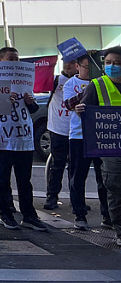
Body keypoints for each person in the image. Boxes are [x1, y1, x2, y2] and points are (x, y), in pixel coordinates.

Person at [0, 46, 48, 232]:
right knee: (3, 179)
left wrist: (30, 103)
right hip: (3, 138)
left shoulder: (24, 81)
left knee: (25, 180)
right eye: (10, 59)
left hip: (24, 138)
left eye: (17, 59)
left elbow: (30, 111)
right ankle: (5, 214)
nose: (14, 62)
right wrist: (4, 101)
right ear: (0, 61)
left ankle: (29, 215)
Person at [74, 46, 121, 246]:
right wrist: (80, 111)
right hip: (111, 149)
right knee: (116, 188)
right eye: (108, 63)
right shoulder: (97, 85)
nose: (111, 66)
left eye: (116, 63)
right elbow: (87, 114)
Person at [64, 52, 110, 229]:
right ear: (78, 67)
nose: (89, 71)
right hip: (79, 136)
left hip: (100, 135)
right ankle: (79, 214)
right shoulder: (71, 84)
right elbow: (68, 104)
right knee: (78, 176)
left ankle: (107, 215)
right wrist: (87, 90)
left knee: (104, 177)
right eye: (86, 67)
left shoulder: (105, 83)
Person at [44, 58, 78, 211]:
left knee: (75, 167)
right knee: (57, 165)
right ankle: (52, 197)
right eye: (65, 61)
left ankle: (76, 198)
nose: (67, 65)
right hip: (58, 128)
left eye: (72, 62)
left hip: (76, 131)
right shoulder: (56, 80)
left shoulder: (84, 80)